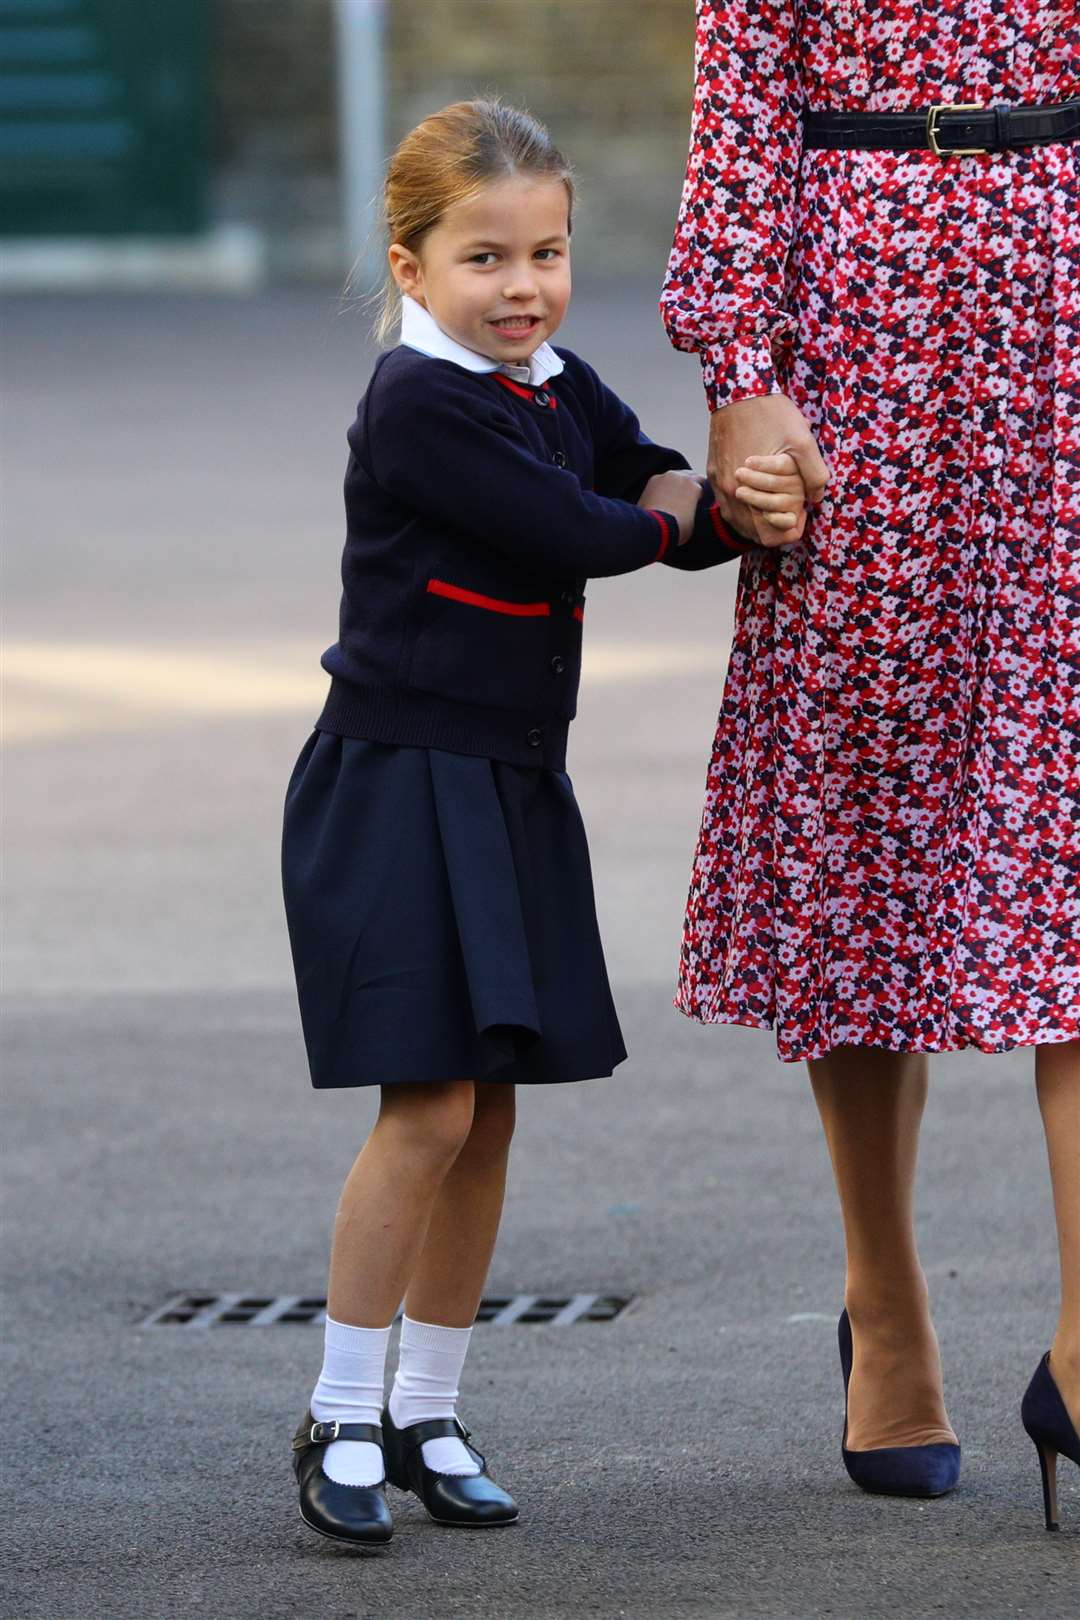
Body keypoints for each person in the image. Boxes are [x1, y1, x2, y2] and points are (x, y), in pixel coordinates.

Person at [280, 97, 805, 1550]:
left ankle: (427, 1410)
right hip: (399, 781)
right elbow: (585, 524)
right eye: (486, 258)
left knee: (491, 1109)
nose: (523, 287)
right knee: (429, 1105)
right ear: (412, 265)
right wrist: (718, 514)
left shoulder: (548, 379)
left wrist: (722, 503)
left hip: (510, 782)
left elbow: (634, 470)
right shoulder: (421, 402)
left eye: (550, 252)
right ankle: (337, 1414)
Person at [661, 0, 1080, 1527]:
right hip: (855, 340)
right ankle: (886, 1304)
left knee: (1076, 823)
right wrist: (740, 372)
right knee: (867, 810)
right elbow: (740, 112)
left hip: (1065, 308)